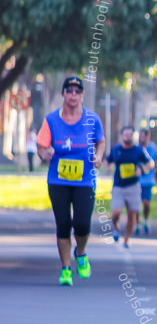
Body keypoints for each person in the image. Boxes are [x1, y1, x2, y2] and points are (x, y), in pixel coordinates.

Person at [36, 76, 105, 286]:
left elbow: (100, 141)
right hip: (58, 180)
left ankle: (81, 252)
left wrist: (99, 156)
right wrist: (44, 154)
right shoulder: (51, 120)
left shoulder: (92, 119)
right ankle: (66, 269)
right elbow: (41, 146)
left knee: (82, 223)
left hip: (85, 180)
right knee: (63, 224)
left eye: (77, 91)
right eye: (69, 90)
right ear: (63, 94)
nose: (73, 95)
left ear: (82, 94)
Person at [104, 125, 154, 248]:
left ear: (133, 136)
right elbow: (107, 160)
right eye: (126, 135)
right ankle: (115, 228)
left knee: (132, 215)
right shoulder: (116, 149)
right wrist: (108, 168)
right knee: (116, 213)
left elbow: (151, 163)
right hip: (119, 186)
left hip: (133, 186)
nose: (128, 137)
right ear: (122, 136)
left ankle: (126, 239)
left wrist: (142, 169)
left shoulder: (138, 150)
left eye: (130, 135)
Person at [138, 128, 157, 235]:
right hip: (136, 181)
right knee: (135, 205)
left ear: (147, 137)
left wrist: (156, 168)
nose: (141, 138)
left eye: (142, 136)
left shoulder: (153, 148)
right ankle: (137, 223)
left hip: (148, 180)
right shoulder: (136, 148)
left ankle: (145, 219)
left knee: (146, 203)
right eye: (139, 136)